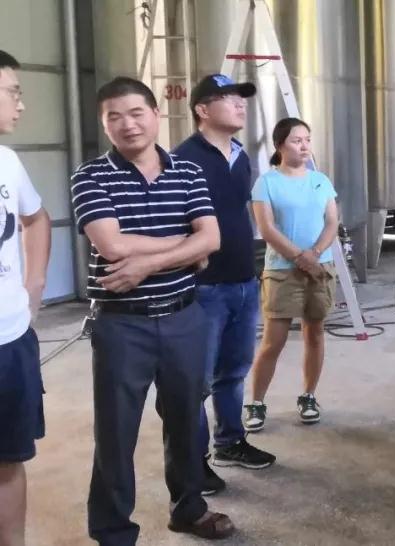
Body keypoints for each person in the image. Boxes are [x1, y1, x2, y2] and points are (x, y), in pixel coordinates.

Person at [71, 77, 233, 543]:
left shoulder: (187, 172)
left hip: (185, 317)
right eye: (114, 117)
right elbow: (112, 244)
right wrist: (187, 245)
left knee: (185, 421)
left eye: (136, 112)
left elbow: (213, 238)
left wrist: (148, 263)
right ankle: (113, 532)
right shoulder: (90, 176)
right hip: (122, 323)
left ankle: (189, 509)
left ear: (156, 114)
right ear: (104, 124)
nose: (127, 124)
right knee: (116, 432)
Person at [172, 74, 275, 498]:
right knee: (195, 381)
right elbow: (173, 220)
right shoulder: (182, 159)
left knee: (233, 371)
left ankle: (230, 442)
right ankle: (193, 463)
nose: (240, 104)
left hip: (244, 280)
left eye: (241, 98)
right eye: (228, 98)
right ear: (202, 109)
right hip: (204, 287)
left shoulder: (241, 155)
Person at [245, 117, 339, 431]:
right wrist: (300, 257)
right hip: (282, 271)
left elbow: (332, 222)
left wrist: (315, 254)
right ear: (280, 145)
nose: (304, 146)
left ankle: (309, 396)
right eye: (297, 140)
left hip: (320, 268)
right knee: (273, 341)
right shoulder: (267, 183)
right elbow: (267, 229)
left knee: (315, 334)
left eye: (307, 140)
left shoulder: (321, 180)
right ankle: (257, 402)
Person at [0, 49, 51, 546]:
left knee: (9, 460)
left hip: (9, 340)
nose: (21, 104)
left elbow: (36, 219)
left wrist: (33, 288)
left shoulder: (8, 162)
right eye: (13, 91)